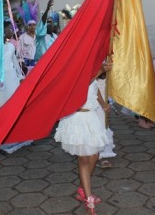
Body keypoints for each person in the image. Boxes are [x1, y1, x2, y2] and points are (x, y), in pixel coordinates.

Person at [54, 75, 110, 214]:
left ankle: (83, 188)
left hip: (91, 118)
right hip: (76, 119)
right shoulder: (78, 74)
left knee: (94, 155)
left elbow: (95, 90)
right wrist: (100, 69)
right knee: (83, 159)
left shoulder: (93, 74)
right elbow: (85, 81)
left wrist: (103, 104)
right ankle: (88, 198)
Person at [0, 21, 31, 154]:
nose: (11, 30)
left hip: (12, 79)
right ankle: (4, 135)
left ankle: (17, 133)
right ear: (3, 31)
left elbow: (14, 61)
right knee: (2, 105)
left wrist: (21, 76)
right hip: (0, 80)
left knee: (14, 105)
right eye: (9, 28)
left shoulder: (11, 45)